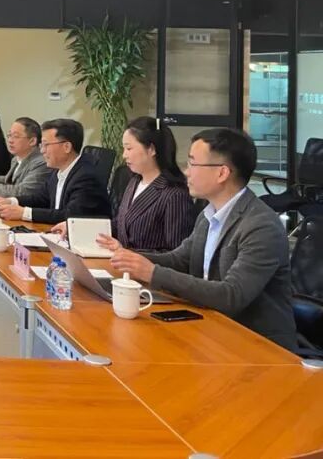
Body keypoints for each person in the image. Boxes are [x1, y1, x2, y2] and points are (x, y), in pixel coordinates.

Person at [105, 128, 296, 351]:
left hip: (257, 347)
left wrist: (152, 273)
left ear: (222, 173)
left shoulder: (261, 225)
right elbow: (180, 260)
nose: (187, 172)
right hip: (211, 330)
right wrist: (129, 257)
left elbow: (231, 295)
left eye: (193, 164)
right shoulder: (209, 214)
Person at [54, 116, 194, 252]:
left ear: (151, 149)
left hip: (142, 267)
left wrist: (126, 252)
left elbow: (176, 255)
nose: (124, 155)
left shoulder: (174, 194)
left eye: (129, 148)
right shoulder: (134, 181)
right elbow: (119, 225)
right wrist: (76, 228)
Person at [0, 118, 110, 224]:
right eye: (42, 145)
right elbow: (41, 198)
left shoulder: (86, 177)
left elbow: (70, 216)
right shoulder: (58, 171)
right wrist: (12, 201)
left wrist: (24, 213)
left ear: (66, 147)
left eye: (46, 145)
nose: (42, 150)